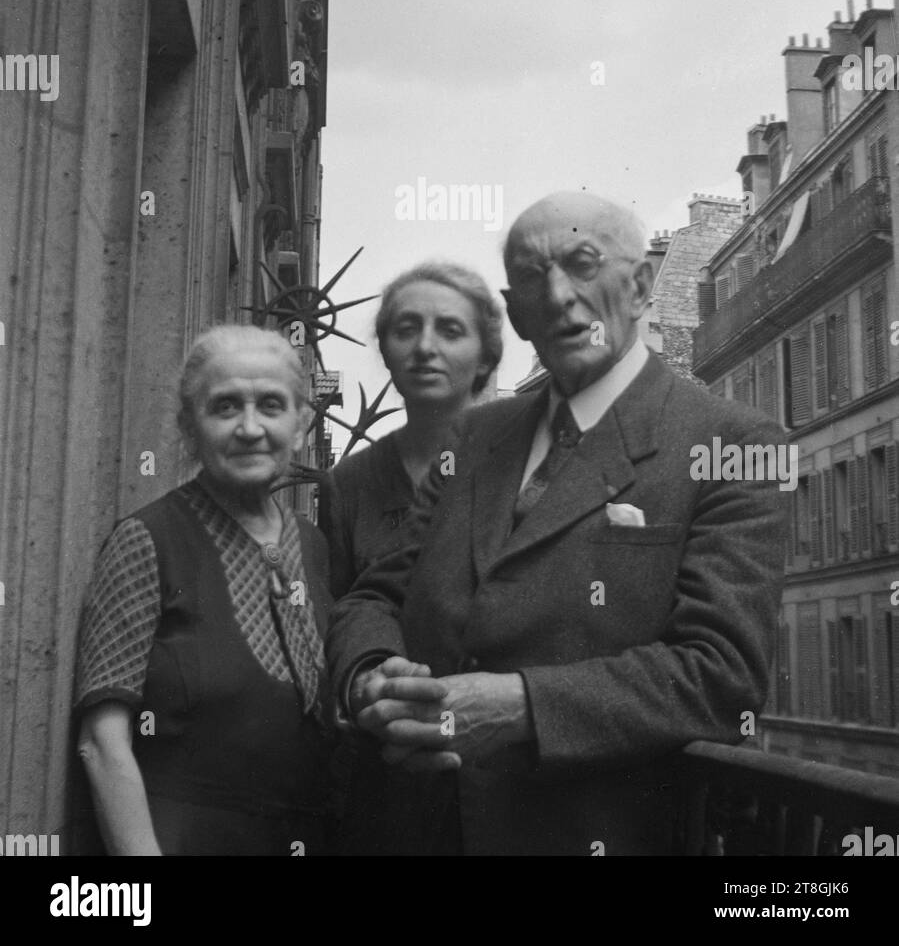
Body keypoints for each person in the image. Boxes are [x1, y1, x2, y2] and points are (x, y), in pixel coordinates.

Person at [326, 191, 788, 857]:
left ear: (637, 287)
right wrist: (372, 674)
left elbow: (720, 674)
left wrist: (518, 706)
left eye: (581, 263)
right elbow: (376, 594)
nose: (559, 295)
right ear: (514, 316)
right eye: (533, 277)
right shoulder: (474, 435)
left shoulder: (730, 444)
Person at [74, 325, 333, 856]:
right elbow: (101, 745)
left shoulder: (311, 544)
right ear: (189, 426)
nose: (250, 427)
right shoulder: (147, 540)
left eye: (270, 405)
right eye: (225, 407)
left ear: (302, 423)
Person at [318, 262, 503, 598]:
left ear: (486, 358)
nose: (425, 348)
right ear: (385, 352)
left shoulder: (520, 461)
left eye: (450, 331)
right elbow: (338, 615)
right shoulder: (348, 484)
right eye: (406, 330)